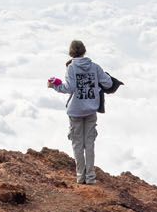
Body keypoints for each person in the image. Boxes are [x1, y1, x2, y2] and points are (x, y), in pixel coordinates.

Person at [47, 41, 117, 185]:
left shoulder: (71, 68)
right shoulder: (95, 67)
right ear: (84, 51)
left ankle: (80, 177)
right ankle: (91, 177)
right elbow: (108, 84)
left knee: (77, 144)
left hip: (76, 111)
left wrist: (55, 85)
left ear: (70, 52)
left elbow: (69, 87)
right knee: (89, 144)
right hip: (91, 110)